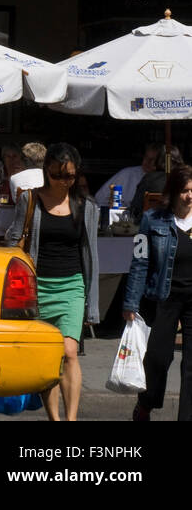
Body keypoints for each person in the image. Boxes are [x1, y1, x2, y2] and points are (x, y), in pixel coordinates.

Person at [4, 143, 99, 422]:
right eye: (58, 175)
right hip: (38, 286)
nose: (63, 182)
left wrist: (92, 305)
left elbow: (92, 254)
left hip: (72, 284)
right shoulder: (30, 200)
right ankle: (54, 419)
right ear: (47, 172)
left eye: (69, 176)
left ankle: (71, 419)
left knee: (70, 351)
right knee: (50, 356)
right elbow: (13, 240)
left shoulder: (87, 206)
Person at [125, 164, 192, 421]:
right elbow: (140, 261)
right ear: (173, 192)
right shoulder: (152, 220)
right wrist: (130, 302)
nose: (189, 196)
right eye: (185, 190)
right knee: (157, 359)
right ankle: (146, 403)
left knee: (191, 367)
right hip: (162, 297)